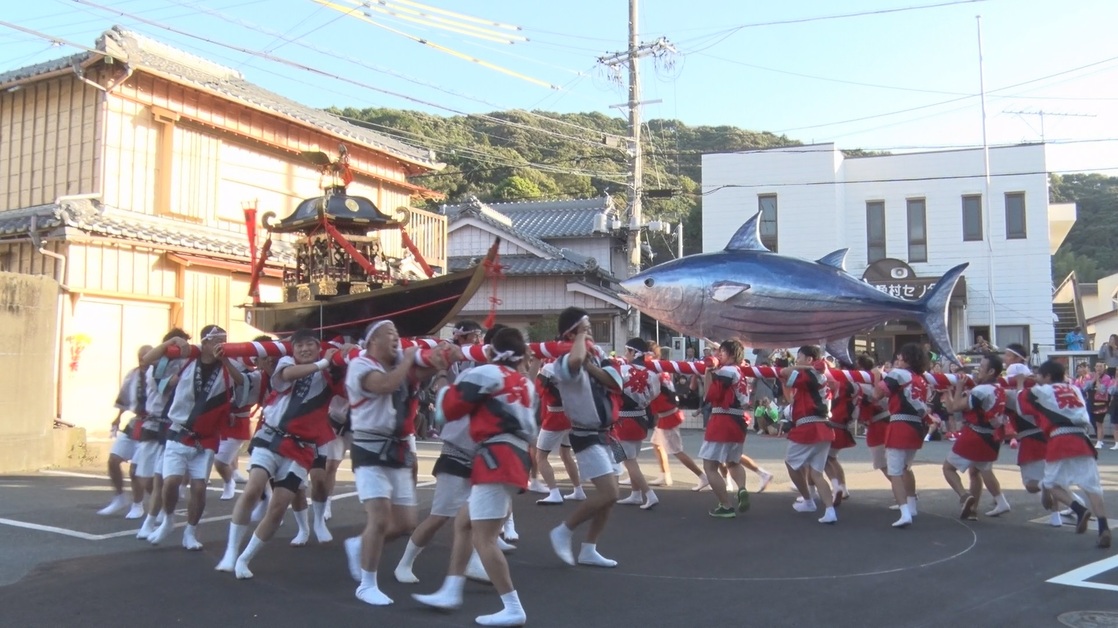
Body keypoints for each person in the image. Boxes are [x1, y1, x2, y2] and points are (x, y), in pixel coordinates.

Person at [412, 327, 538, 626]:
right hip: (512, 458)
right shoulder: (525, 384)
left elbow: (445, 410)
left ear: (492, 351)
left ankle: (513, 607)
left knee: (485, 540)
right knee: (464, 522)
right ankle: (451, 589)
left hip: (496, 458)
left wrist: (443, 371)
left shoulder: (488, 374)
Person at [216, 329, 347, 578]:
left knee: (278, 506)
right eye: (300, 346)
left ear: (318, 347)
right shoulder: (287, 363)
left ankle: (245, 559)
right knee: (254, 488)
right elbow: (288, 375)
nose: (305, 349)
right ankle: (231, 552)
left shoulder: (330, 373)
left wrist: (343, 357)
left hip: (302, 447)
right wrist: (324, 361)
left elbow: (347, 386)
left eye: (311, 345)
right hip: (271, 436)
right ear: (293, 349)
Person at [344, 319, 442, 606]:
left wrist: (444, 357)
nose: (396, 339)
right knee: (380, 516)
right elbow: (386, 385)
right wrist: (409, 358)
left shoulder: (401, 365)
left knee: (405, 523)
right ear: (372, 341)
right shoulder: (361, 365)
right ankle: (366, 584)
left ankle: (360, 545)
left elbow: (423, 372)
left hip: (399, 448)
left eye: (398, 334)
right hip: (369, 448)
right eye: (389, 334)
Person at [147, 325, 245, 548]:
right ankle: (168, 521)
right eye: (215, 340)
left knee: (199, 487)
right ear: (205, 342)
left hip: (206, 437)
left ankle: (190, 533)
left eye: (224, 339)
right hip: (179, 430)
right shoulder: (187, 358)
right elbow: (149, 359)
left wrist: (227, 361)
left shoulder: (230, 363)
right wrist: (170, 341)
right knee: (170, 481)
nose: (220, 344)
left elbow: (242, 382)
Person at [548, 307, 624, 569]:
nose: (589, 331)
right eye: (584, 327)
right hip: (585, 434)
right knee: (609, 492)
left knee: (612, 497)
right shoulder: (560, 362)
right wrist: (580, 339)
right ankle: (564, 529)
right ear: (571, 332)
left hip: (607, 434)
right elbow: (575, 362)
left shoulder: (596, 356)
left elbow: (615, 382)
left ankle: (589, 548)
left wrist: (592, 363)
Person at [1017, 360, 1111, 548]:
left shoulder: (1043, 391)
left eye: (1040, 376)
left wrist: (1021, 383)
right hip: (1082, 439)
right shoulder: (1074, 390)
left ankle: (1078, 508)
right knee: (1092, 486)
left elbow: (1021, 402)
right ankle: (1103, 526)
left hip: (1059, 439)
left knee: (1050, 483)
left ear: (1048, 376)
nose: (1037, 379)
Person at [133, 328, 190, 540]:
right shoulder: (158, 366)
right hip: (154, 423)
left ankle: (156, 518)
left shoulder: (188, 364)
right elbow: (165, 382)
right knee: (144, 476)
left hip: (175, 428)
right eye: (178, 346)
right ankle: (159, 511)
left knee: (161, 479)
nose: (182, 350)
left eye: (185, 346)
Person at [940, 354, 1012, 520]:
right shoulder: (999, 388)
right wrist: (949, 392)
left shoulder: (980, 390)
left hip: (975, 435)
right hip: (991, 437)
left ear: (991, 371)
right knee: (978, 471)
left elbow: (957, 407)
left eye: (982, 366)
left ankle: (965, 497)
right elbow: (952, 408)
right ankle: (981, 507)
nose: (978, 369)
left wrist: (958, 387)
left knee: (948, 468)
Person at [780, 346, 837, 524]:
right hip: (824, 427)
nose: (797, 361)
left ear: (810, 359)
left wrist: (806, 367)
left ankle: (808, 499)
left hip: (809, 427)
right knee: (817, 473)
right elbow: (789, 387)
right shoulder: (825, 376)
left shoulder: (811, 375)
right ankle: (829, 510)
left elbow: (784, 371)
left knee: (791, 462)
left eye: (800, 357)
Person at [876, 343, 930, 528]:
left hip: (899, 424)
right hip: (917, 426)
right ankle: (911, 505)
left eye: (900, 357)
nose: (897, 361)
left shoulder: (898, 374)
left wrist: (878, 376)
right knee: (906, 468)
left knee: (895, 472)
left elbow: (877, 394)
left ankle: (904, 511)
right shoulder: (922, 379)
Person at [699, 340, 752, 518]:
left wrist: (709, 372)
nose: (718, 354)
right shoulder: (739, 372)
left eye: (721, 351)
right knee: (733, 462)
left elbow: (710, 396)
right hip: (739, 421)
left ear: (728, 353)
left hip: (723, 419)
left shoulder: (726, 372)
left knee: (710, 466)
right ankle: (742, 489)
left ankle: (726, 505)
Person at [98, 345, 151, 519]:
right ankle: (119, 497)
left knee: (136, 469)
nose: (142, 360)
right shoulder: (133, 374)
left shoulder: (160, 375)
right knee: (113, 459)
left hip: (152, 425)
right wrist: (118, 418)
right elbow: (124, 398)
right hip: (134, 422)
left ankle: (138, 505)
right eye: (140, 357)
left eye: (146, 357)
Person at [613, 338, 660, 509]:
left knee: (628, 460)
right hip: (641, 418)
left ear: (634, 352)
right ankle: (635, 494)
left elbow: (613, 389)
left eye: (627, 351)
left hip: (623, 420)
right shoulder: (652, 374)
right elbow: (654, 394)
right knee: (632, 458)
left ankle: (649, 494)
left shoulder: (621, 370)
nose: (625, 354)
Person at [533, 359, 586, 505]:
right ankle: (578, 489)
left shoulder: (550, 368)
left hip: (555, 416)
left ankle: (554, 492)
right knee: (565, 453)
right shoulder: (577, 367)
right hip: (572, 414)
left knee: (541, 457)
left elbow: (537, 390)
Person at [1081, 361, 1111, 448]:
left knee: (1099, 423)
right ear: (1094, 367)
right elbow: (1084, 388)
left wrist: (1098, 380)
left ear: (1104, 368)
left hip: (1101, 402)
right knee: (1091, 420)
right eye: (1097, 366)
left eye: (1100, 366)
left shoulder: (1107, 377)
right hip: (1090, 401)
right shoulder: (1089, 376)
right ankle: (1100, 438)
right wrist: (1094, 379)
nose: (1098, 368)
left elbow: (1102, 391)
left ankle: (1099, 441)